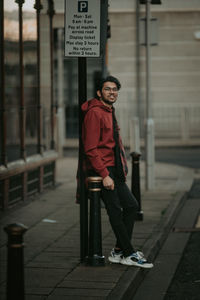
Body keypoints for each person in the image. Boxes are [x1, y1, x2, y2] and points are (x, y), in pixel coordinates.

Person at [81, 75, 153, 268]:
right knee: (115, 210)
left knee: (131, 206)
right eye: (107, 89)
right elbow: (90, 148)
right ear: (99, 92)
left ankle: (118, 251)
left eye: (114, 89)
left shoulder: (108, 110)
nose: (112, 92)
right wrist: (104, 175)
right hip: (102, 170)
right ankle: (129, 253)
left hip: (115, 168)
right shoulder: (95, 113)